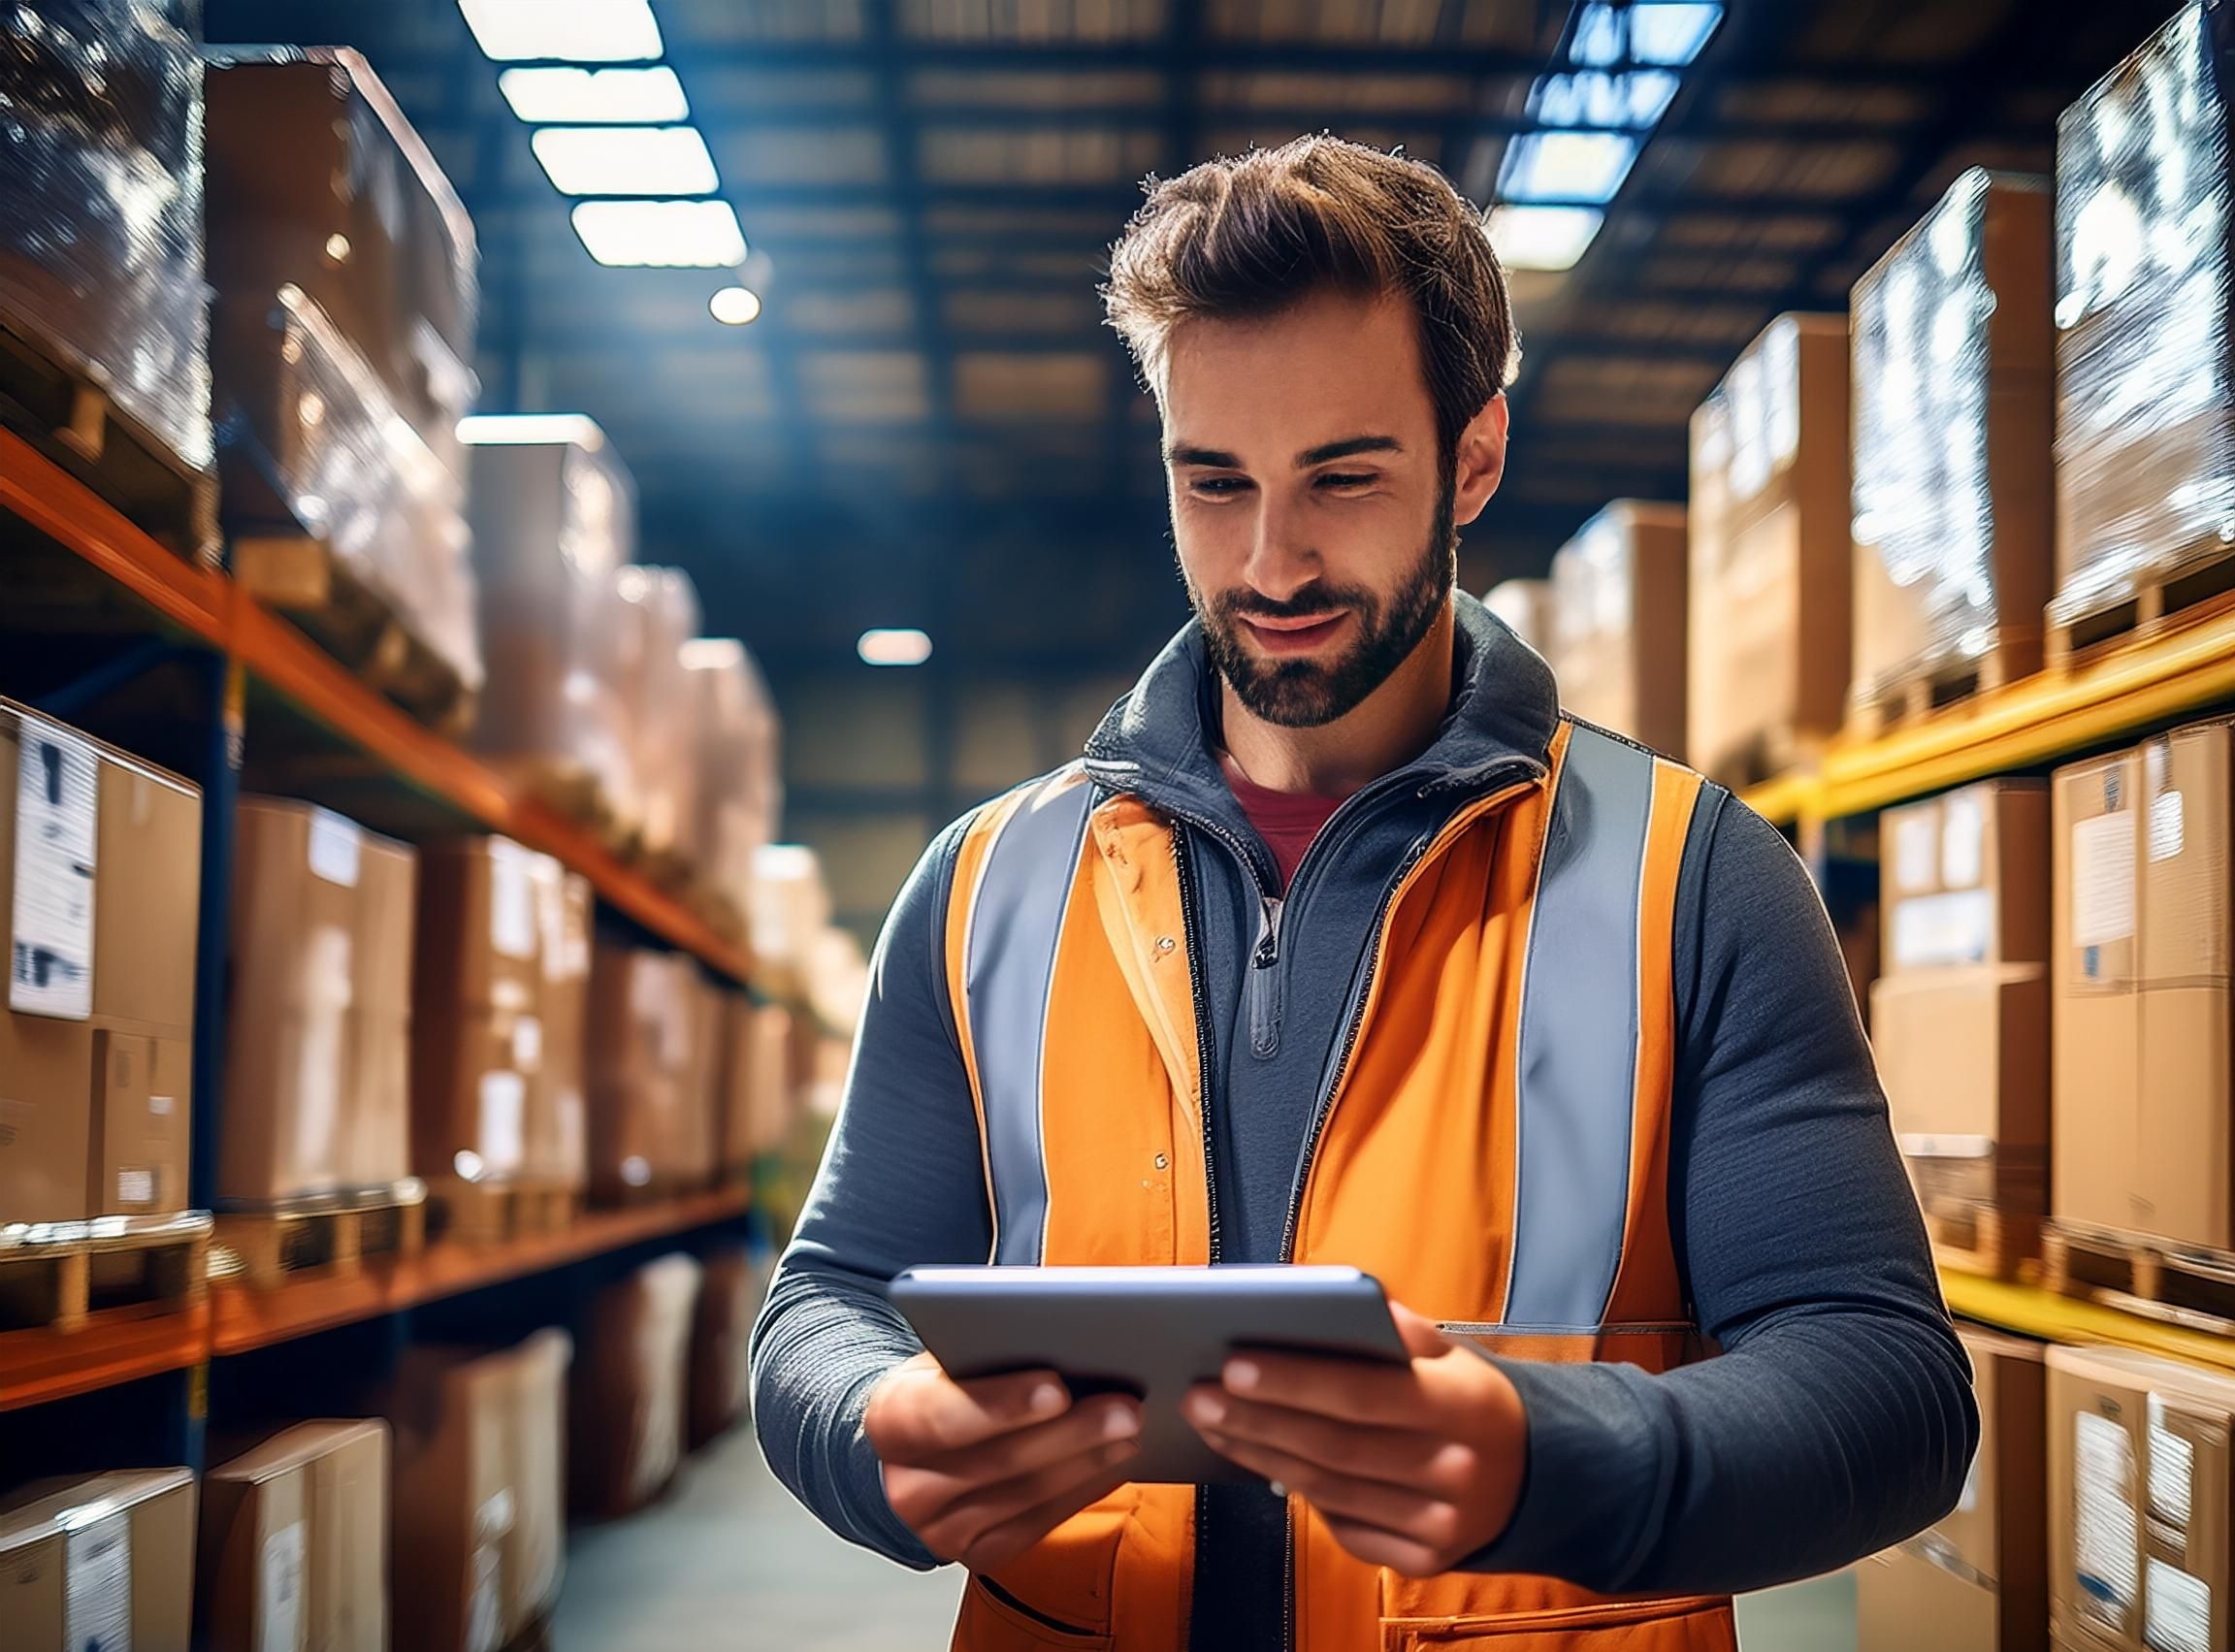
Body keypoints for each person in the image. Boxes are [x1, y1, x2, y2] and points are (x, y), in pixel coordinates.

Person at [753, 136, 1976, 1651]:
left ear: (1474, 457)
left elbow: (1888, 1384)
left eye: (1343, 476)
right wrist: (877, 1429)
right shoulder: (987, 887)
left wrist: (1549, 1458)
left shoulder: (1696, 879)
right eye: (1215, 482)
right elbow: (823, 1304)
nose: (1272, 559)